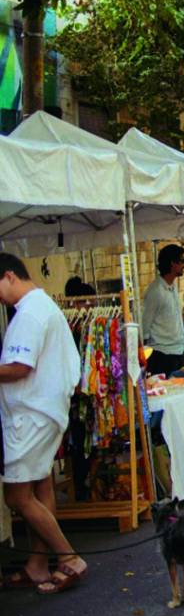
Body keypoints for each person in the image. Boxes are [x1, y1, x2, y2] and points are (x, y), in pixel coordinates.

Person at [0, 254, 87, 593]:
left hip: (31, 414)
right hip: (42, 411)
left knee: (17, 497)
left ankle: (69, 557)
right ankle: (37, 563)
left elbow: (20, 367)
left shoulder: (31, 313)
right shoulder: (39, 307)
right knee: (40, 487)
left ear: (9, 276)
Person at [142, 245, 184, 376]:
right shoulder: (155, 291)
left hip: (177, 350)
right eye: (182, 261)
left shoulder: (172, 286)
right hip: (162, 354)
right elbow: (145, 324)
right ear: (172, 263)